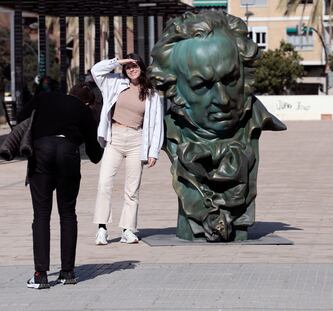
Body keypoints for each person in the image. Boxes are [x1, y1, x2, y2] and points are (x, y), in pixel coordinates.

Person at [148, 11, 286, 241]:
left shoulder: (254, 121)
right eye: (202, 85)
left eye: (231, 80)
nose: (222, 99)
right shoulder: (163, 131)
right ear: (174, 87)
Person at [17, 83, 103, 289]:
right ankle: (68, 272)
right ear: (88, 102)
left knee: (41, 215)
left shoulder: (45, 97)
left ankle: (40, 275)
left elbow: (21, 117)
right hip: (68, 154)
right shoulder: (83, 110)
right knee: (67, 214)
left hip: (41, 151)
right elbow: (94, 154)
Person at [91, 54, 164, 245]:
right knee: (104, 183)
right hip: (114, 137)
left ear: (142, 67)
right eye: (128, 67)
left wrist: (153, 151)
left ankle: (127, 229)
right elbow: (96, 70)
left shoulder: (151, 93)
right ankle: (101, 228)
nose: (132, 70)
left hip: (136, 140)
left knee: (132, 189)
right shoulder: (115, 83)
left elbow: (157, 124)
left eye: (135, 66)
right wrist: (118, 62)